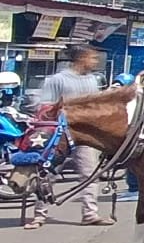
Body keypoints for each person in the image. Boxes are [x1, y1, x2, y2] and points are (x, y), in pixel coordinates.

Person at [26, 46, 113, 229]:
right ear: (81, 59)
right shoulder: (57, 80)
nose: (95, 62)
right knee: (48, 174)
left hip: (85, 136)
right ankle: (39, 215)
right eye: (92, 58)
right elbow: (45, 107)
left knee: (89, 175)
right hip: (60, 136)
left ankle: (90, 214)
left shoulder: (92, 80)